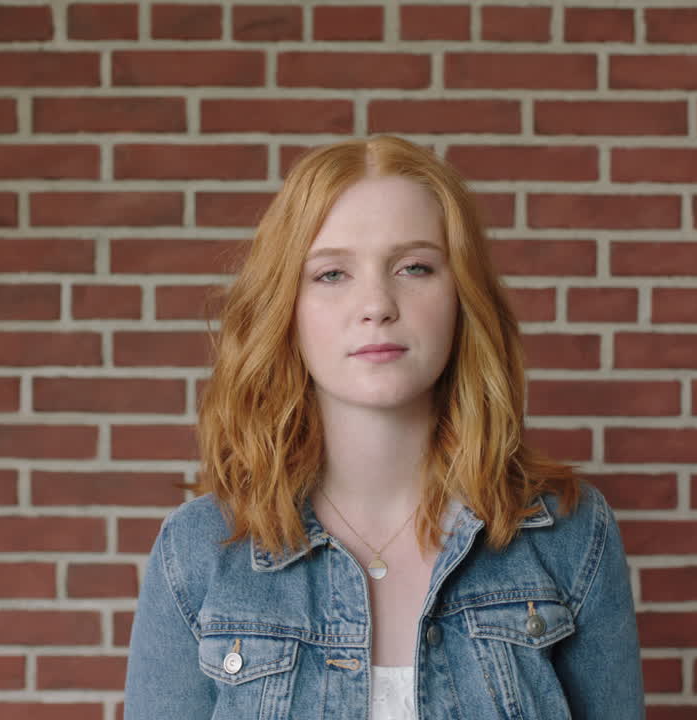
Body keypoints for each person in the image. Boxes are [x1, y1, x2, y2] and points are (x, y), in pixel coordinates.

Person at [123, 135, 644, 719]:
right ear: (285, 308)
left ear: (461, 296)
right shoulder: (197, 552)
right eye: (331, 274)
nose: (376, 303)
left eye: (413, 267)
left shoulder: (570, 537)